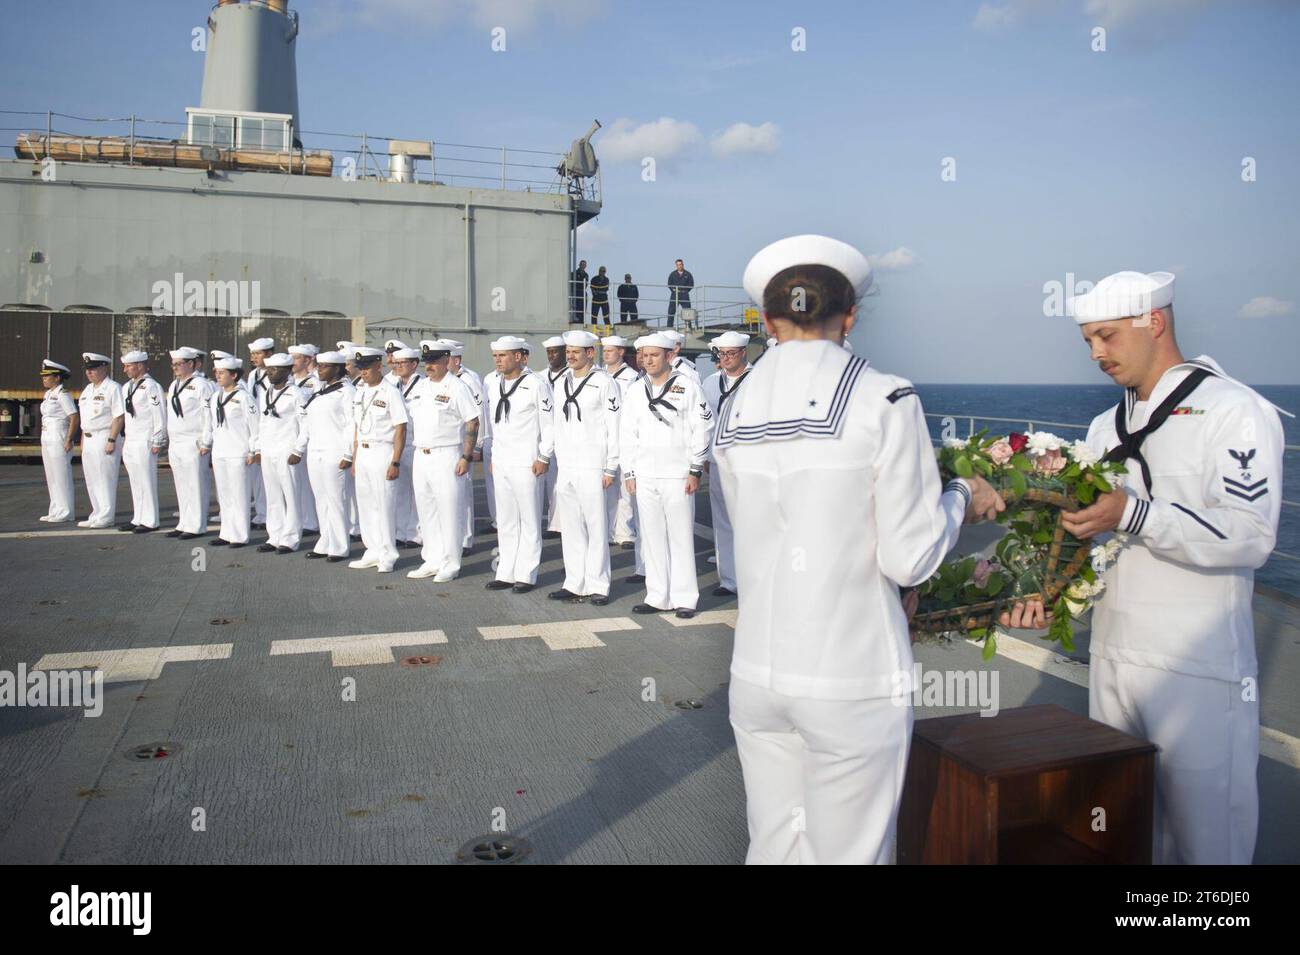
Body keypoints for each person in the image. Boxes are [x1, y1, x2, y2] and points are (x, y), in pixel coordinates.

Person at [714, 234, 1004, 865]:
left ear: (766, 320)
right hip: (849, 673)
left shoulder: (732, 410)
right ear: (850, 316)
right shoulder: (885, 397)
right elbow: (910, 558)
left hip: (757, 674)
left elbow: (748, 540)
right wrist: (960, 495)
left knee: (773, 846)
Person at [1002, 269, 1286, 865]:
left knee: (1207, 843)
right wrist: (1050, 586)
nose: (1096, 353)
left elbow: (1250, 534)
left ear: (1154, 321)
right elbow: (1096, 533)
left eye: (1106, 335)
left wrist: (1133, 514)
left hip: (1197, 666)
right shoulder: (1107, 425)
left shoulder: (1235, 411)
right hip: (1112, 656)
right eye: (1087, 341)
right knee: (1125, 835)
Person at [620, 333, 714, 618]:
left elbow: (704, 428)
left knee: (680, 537)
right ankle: (657, 595)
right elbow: (627, 433)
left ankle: (685, 598)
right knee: (652, 537)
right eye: (644, 356)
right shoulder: (636, 390)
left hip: (677, 474)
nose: (647, 360)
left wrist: (696, 468)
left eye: (654, 355)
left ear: (668, 356)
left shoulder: (687, 386)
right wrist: (630, 471)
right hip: (646, 474)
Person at [548, 330, 620, 605]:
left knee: (596, 525)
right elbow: (557, 424)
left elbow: (614, 426)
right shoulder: (561, 382)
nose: (570, 356)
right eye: (568, 351)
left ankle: (598, 584)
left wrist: (611, 466)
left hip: (593, 463)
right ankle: (574, 582)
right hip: (567, 464)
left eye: (576, 351)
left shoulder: (604, 383)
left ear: (591, 353)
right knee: (571, 525)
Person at [481, 336, 554, 593]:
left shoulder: (536, 384)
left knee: (530, 521)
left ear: (520, 357)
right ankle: (506, 572)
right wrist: (492, 458)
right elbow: (492, 425)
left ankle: (526, 574)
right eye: (496, 356)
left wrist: (543, 456)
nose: (498, 360)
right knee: (507, 519)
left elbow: (549, 424)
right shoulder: (493, 384)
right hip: (502, 461)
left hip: (527, 462)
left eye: (504, 355)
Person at [404, 341, 481, 581]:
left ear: (447, 361)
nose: (430, 366)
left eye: (435, 361)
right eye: (427, 362)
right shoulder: (421, 387)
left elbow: (472, 421)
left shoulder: (457, 387)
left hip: (447, 455)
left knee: (449, 512)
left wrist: (466, 456)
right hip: (421, 455)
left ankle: (450, 563)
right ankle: (432, 559)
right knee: (427, 510)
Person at [700, 331, 752, 597]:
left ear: (743, 353)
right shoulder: (710, 383)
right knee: (722, 520)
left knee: (750, 521)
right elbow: (705, 424)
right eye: (722, 354)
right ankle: (729, 580)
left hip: (748, 462)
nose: (727, 358)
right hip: (719, 462)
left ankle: (752, 579)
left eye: (732, 353)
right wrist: (706, 457)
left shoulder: (757, 382)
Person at [349, 346, 408, 573]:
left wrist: (395, 461)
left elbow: (400, 428)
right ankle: (371, 550)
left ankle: (387, 554)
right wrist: (355, 458)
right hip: (363, 453)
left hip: (382, 452)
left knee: (383, 505)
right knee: (366, 505)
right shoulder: (360, 391)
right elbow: (357, 427)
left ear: (378, 366)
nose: (363, 372)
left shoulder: (390, 392)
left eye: (367, 367)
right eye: (360, 368)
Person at [301, 351, 356, 563]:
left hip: (335, 452)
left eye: (324, 366)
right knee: (321, 500)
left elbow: (351, 423)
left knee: (336, 500)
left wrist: (348, 453)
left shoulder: (346, 391)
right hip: (316, 452)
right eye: (319, 366)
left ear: (337, 368)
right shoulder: (320, 391)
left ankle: (340, 546)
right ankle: (325, 542)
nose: (319, 370)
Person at [202, 357, 258, 548]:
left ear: (234, 375)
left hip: (238, 451)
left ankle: (240, 535)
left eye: (222, 373)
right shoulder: (216, 396)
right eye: (216, 373)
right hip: (220, 451)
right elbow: (210, 425)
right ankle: (226, 532)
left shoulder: (244, 397)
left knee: (239, 494)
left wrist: (253, 450)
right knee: (224, 494)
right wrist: (206, 444)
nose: (217, 376)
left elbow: (254, 426)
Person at [256, 353, 308, 554]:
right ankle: (274, 536)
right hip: (269, 449)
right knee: (273, 495)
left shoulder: (296, 393)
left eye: (275, 369)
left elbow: (305, 425)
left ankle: (291, 538)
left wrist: (298, 449)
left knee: (291, 495)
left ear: (287, 371)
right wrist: (259, 448)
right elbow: (262, 422)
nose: (270, 373)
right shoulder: (265, 392)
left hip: (287, 449)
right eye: (268, 369)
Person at [166, 347, 215, 539]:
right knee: (182, 483)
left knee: (196, 483)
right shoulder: (174, 385)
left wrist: (206, 441)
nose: (175, 367)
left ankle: (196, 525)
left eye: (179, 364)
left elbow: (207, 414)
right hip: (176, 440)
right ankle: (184, 522)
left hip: (193, 440)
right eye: (174, 364)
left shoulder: (201, 385)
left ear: (192, 364)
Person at [75, 353, 126, 530]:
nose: (90, 372)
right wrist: (82, 438)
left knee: (105, 478)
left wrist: (112, 439)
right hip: (88, 438)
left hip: (104, 436)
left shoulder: (113, 388)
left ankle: (106, 515)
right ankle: (96, 513)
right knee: (91, 478)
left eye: (94, 369)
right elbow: (85, 419)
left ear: (104, 368)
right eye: (88, 369)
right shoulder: (88, 390)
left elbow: (118, 416)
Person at [117, 350, 166, 533]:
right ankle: (138, 517)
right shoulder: (127, 387)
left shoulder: (152, 386)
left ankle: (150, 520)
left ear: (139, 366)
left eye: (128, 366)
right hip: (131, 438)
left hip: (145, 438)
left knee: (146, 480)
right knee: (135, 480)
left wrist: (158, 440)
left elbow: (159, 414)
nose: (125, 370)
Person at [445, 339, 485, 551]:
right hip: (450, 442)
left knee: (463, 495)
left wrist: (477, 446)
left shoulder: (468, 380)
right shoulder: (444, 382)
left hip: (464, 444)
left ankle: (466, 537)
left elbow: (479, 414)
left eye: (447, 359)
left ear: (456, 360)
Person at [601, 335, 639, 547]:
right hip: (604, 435)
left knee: (625, 486)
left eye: (610, 350)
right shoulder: (598, 374)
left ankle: (625, 531)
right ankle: (608, 530)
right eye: (604, 350)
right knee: (606, 486)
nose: (606, 354)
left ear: (621, 352)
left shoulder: (632, 377)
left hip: (623, 434)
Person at [388, 347, 423, 548]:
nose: (399, 366)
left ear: (414, 364)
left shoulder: (423, 385)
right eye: (396, 363)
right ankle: (401, 531)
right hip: (399, 443)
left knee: (416, 491)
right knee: (400, 491)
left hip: (416, 443)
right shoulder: (393, 385)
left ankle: (416, 533)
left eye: (403, 363)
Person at [38, 360, 78, 524]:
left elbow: (74, 417)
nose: (44, 379)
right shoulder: (48, 395)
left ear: (57, 377)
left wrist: (69, 439)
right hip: (47, 437)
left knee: (62, 475)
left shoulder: (63, 394)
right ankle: (55, 509)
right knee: (52, 476)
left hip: (59, 436)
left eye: (47, 376)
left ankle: (66, 511)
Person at [289, 343, 321, 535]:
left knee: (307, 483)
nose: (291, 362)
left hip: (306, 438)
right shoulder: (289, 381)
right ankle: (300, 518)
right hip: (288, 437)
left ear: (308, 360)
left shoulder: (314, 382)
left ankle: (311, 520)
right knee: (294, 483)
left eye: (296, 358)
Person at [247, 337, 275, 530]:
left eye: (258, 354)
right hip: (256, 426)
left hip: (270, 426)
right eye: (253, 354)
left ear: (269, 355)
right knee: (257, 474)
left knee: (271, 476)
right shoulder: (253, 375)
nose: (254, 357)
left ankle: (272, 515)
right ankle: (261, 513)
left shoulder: (276, 375)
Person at [541, 336, 568, 536]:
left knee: (565, 482)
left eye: (555, 351)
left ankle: (564, 522)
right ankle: (554, 522)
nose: (551, 356)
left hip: (567, 434)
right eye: (549, 352)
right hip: (548, 434)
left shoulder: (571, 375)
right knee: (551, 482)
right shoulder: (540, 376)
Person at [666, 258, 694, 327]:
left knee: (687, 312)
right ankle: (669, 327)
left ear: (683, 265)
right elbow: (669, 284)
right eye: (678, 265)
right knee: (671, 311)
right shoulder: (672, 274)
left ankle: (688, 327)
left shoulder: (688, 274)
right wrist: (674, 290)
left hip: (684, 295)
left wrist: (685, 290)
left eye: (681, 264)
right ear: (676, 265)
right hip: (675, 294)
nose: (680, 266)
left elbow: (691, 284)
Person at [570, 259, 589, 323]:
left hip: (583, 292)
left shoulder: (586, 275)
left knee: (583, 307)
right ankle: (576, 319)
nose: (583, 266)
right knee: (576, 306)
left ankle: (582, 320)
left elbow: (585, 284)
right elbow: (572, 284)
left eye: (584, 265)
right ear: (579, 265)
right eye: (582, 264)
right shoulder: (574, 273)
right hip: (576, 292)